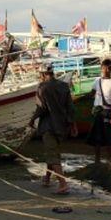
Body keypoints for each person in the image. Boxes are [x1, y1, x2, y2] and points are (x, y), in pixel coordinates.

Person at [29, 63, 77, 196]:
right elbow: (70, 108)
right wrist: (73, 125)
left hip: (48, 126)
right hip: (62, 126)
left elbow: (41, 108)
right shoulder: (63, 86)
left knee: (52, 154)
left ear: (43, 74)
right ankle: (47, 178)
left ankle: (63, 184)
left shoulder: (42, 88)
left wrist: (32, 119)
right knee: (53, 151)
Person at [86, 58, 111, 165]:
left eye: (109, 68)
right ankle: (97, 160)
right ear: (103, 68)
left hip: (108, 112)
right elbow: (91, 93)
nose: (107, 70)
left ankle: (109, 160)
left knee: (109, 139)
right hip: (98, 112)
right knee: (97, 138)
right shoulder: (97, 81)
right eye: (105, 68)